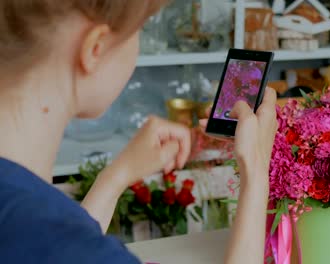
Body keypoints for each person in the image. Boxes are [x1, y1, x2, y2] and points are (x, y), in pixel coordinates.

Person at [0, 1, 277, 264]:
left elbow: (52, 240)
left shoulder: (26, 214)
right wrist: (255, 170)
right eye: (138, 32)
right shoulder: (84, 250)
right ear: (95, 48)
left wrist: (116, 176)